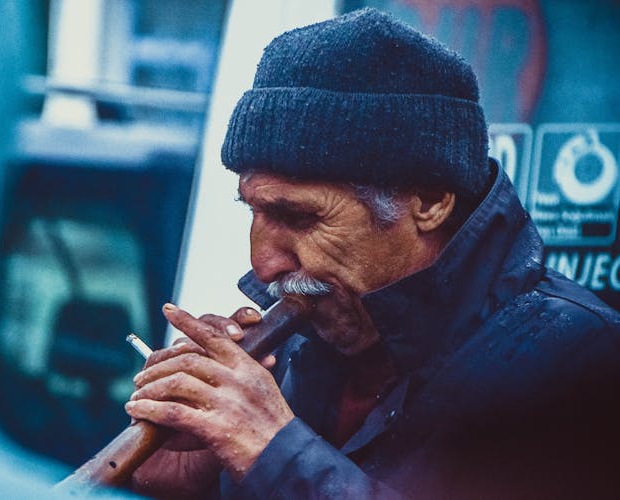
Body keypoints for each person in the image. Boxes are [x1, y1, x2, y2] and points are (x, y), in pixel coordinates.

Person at [123, 8, 620, 499]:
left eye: (301, 218)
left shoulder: (581, 365)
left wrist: (273, 453)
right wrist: (189, 488)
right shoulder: (296, 356)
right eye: (252, 211)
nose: (263, 263)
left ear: (428, 200)